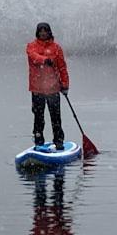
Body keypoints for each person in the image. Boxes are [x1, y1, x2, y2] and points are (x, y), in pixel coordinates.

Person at [26, 22, 69, 150]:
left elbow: (62, 67)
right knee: (38, 117)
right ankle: (38, 141)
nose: (43, 33)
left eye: (45, 31)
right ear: (37, 33)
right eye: (41, 31)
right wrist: (44, 60)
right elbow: (33, 56)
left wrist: (65, 85)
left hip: (53, 88)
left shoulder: (56, 48)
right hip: (37, 89)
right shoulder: (31, 46)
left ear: (49, 32)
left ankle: (59, 141)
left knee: (56, 117)